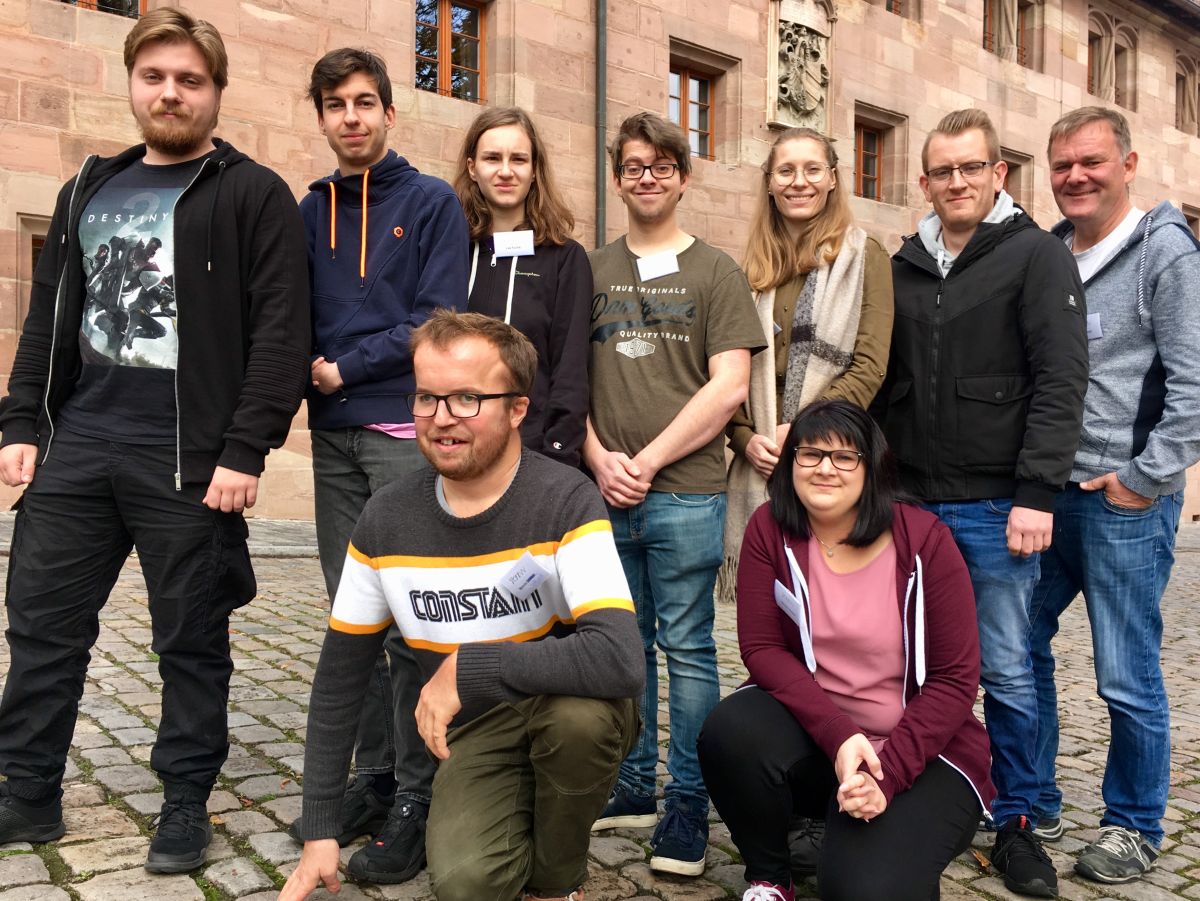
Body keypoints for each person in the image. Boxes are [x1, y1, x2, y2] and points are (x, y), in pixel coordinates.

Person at [0, 6, 310, 874]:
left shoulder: (251, 192)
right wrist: (21, 420)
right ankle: (27, 793)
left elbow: (281, 331)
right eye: (155, 77)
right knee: (43, 628)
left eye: (190, 80)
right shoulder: (86, 188)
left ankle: (183, 800)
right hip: (80, 445)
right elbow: (47, 316)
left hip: (189, 458)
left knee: (191, 638)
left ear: (215, 92)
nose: (170, 93)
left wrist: (247, 449)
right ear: (133, 82)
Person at [279, 310, 643, 901]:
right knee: (466, 884)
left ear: (517, 408)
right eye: (427, 397)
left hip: (567, 708)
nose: (442, 419)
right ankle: (513, 810)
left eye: (468, 399)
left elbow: (621, 658)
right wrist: (320, 829)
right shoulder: (386, 517)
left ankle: (555, 884)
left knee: (578, 724)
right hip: (474, 733)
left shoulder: (565, 499)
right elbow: (340, 679)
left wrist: (473, 666)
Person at [875, 108, 1088, 898]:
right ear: (924, 181)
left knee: (1007, 666)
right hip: (910, 503)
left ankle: (1020, 819)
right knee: (910, 665)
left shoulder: (1034, 256)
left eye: (972, 167)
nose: (956, 181)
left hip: (999, 505)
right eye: (942, 170)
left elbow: (1062, 382)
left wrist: (1037, 494)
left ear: (999, 174)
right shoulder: (902, 265)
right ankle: (925, 794)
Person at [288, 48, 469, 884]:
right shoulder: (309, 207)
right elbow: (287, 312)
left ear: (391, 113)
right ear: (322, 116)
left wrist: (345, 367)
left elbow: (436, 318)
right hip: (332, 439)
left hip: (400, 431)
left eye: (366, 102)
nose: (351, 117)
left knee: (412, 623)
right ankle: (372, 774)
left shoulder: (432, 202)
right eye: (336, 104)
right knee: (352, 615)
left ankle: (419, 794)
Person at [698, 400, 995, 901]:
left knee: (861, 890)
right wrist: (839, 739)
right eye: (809, 455)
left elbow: (955, 679)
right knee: (731, 731)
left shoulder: (924, 542)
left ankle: (877, 837)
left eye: (844, 457)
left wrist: (889, 774)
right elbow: (763, 649)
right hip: (823, 738)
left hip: (921, 754)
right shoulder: (771, 530)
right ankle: (771, 877)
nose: (825, 469)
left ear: (872, 466)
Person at [586, 112, 765, 876]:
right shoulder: (590, 270)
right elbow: (566, 384)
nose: (648, 176)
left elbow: (731, 386)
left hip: (685, 491)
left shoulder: (716, 271)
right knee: (622, 646)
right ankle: (632, 779)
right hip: (603, 490)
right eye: (634, 165)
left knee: (687, 647)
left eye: (663, 164)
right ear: (619, 177)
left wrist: (648, 460)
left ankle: (688, 798)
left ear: (683, 177)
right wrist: (599, 457)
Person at [1028, 106, 1200, 885]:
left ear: (1128, 165)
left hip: (1119, 499)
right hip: (1044, 494)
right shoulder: (1051, 251)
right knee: (1015, 646)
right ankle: (1031, 796)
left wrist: (1144, 477)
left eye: (1091, 161)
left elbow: (1195, 385)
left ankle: (1134, 823)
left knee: (1124, 671)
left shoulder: (1166, 253)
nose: (1075, 176)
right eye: (1062, 164)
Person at [722, 125, 893, 601]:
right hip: (760, 464)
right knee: (768, 613)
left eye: (813, 169)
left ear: (833, 178)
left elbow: (870, 365)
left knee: (830, 605)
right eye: (786, 171)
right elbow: (726, 367)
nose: (800, 182)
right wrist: (744, 438)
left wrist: (803, 432)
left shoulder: (864, 256)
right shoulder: (753, 268)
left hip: (830, 460)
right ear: (770, 183)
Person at [453, 106, 591, 467]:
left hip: (533, 455)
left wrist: (558, 453)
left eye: (518, 159)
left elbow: (570, 367)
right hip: (456, 446)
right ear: (472, 168)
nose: (505, 171)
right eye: (492, 158)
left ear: (534, 171)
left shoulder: (565, 258)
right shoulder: (450, 250)